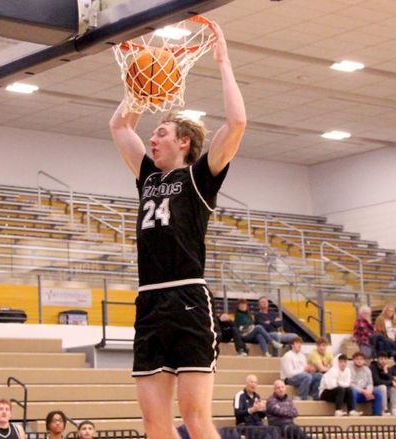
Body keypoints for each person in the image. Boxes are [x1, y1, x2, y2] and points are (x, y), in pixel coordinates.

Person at [109, 19, 246, 439]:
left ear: (184, 142)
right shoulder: (147, 176)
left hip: (188, 296)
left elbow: (237, 122)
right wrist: (142, 87)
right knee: (154, 422)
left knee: (194, 417)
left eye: (162, 132)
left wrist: (223, 62)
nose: (153, 138)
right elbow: (119, 126)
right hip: (149, 301)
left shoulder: (201, 177)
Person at [349, 352, 383, 416]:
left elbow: (370, 383)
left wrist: (369, 391)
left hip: (366, 393)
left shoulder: (367, 370)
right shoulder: (349, 369)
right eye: (357, 359)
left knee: (378, 393)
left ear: (364, 361)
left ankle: (377, 415)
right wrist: (363, 391)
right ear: (353, 360)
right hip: (355, 393)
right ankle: (353, 412)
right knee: (352, 392)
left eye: (361, 359)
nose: (359, 361)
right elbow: (350, 384)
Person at [370, 351, 396, 416]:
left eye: (385, 359)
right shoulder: (373, 367)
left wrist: (386, 372)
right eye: (381, 359)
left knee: (394, 388)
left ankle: (394, 409)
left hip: (384, 390)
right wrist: (391, 382)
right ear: (378, 359)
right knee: (383, 387)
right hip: (374, 388)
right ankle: (384, 409)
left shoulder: (387, 368)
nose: (383, 361)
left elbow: (391, 380)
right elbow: (376, 381)